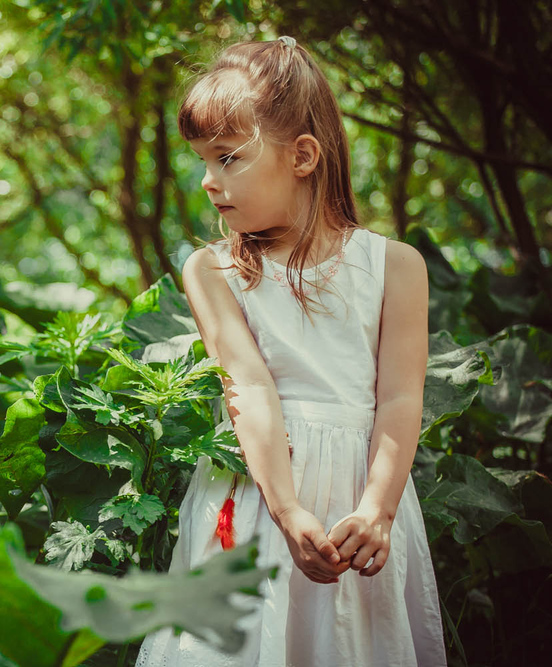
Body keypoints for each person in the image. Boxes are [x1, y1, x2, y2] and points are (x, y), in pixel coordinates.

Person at [135, 37, 447, 666]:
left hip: (362, 504)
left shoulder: (396, 266)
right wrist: (285, 508)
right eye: (203, 160)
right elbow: (248, 388)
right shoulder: (213, 271)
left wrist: (378, 509)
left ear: (303, 155)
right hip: (258, 496)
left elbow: (398, 398)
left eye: (227, 157)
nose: (207, 181)